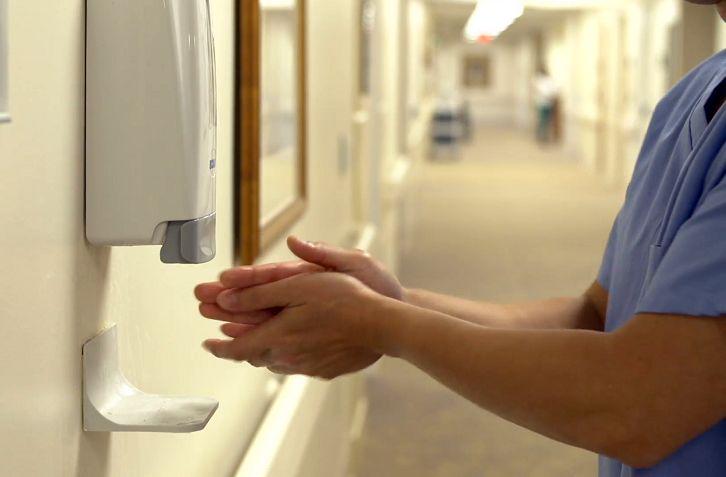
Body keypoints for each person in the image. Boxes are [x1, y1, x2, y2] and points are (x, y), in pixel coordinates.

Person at [195, 2, 726, 475]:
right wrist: (394, 303)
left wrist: (379, 323)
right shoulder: (688, 98)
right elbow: (597, 315)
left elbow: (638, 403)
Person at [533, 64, 559, 143]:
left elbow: (553, 90)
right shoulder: (539, 80)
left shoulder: (549, 80)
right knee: (542, 120)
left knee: (546, 120)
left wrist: (550, 96)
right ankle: (541, 135)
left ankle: (544, 136)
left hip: (548, 103)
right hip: (542, 103)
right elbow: (539, 90)